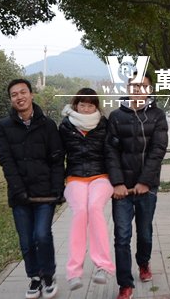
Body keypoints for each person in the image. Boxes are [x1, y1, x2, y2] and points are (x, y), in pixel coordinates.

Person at [0, 78, 64, 299]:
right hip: (20, 195)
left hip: (45, 193)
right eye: (14, 94)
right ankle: (35, 277)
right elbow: (6, 161)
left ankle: (49, 276)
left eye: (23, 92)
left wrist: (58, 188)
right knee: (26, 240)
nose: (19, 97)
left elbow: (57, 159)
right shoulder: (3, 127)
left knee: (41, 235)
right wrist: (18, 190)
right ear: (11, 100)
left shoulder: (48, 125)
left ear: (31, 95)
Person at [105, 72, 168, 299]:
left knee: (145, 232)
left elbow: (158, 150)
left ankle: (143, 263)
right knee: (122, 236)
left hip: (146, 188)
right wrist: (117, 183)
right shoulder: (115, 116)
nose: (138, 90)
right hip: (121, 190)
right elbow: (110, 151)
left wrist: (144, 182)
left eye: (143, 86)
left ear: (149, 90)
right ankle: (125, 284)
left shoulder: (157, 116)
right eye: (134, 86)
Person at [58, 88, 115, 291]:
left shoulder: (104, 125)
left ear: (96, 107)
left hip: (101, 177)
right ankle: (74, 272)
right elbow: (58, 157)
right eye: (82, 104)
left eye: (90, 105)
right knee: (80, 211)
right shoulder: (65, 126)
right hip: (75, 177)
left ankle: (103, 266)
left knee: (94, 208)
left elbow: (111, 154)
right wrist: (57, 185)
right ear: (76, 105)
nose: (86, 109)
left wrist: (117, 181)